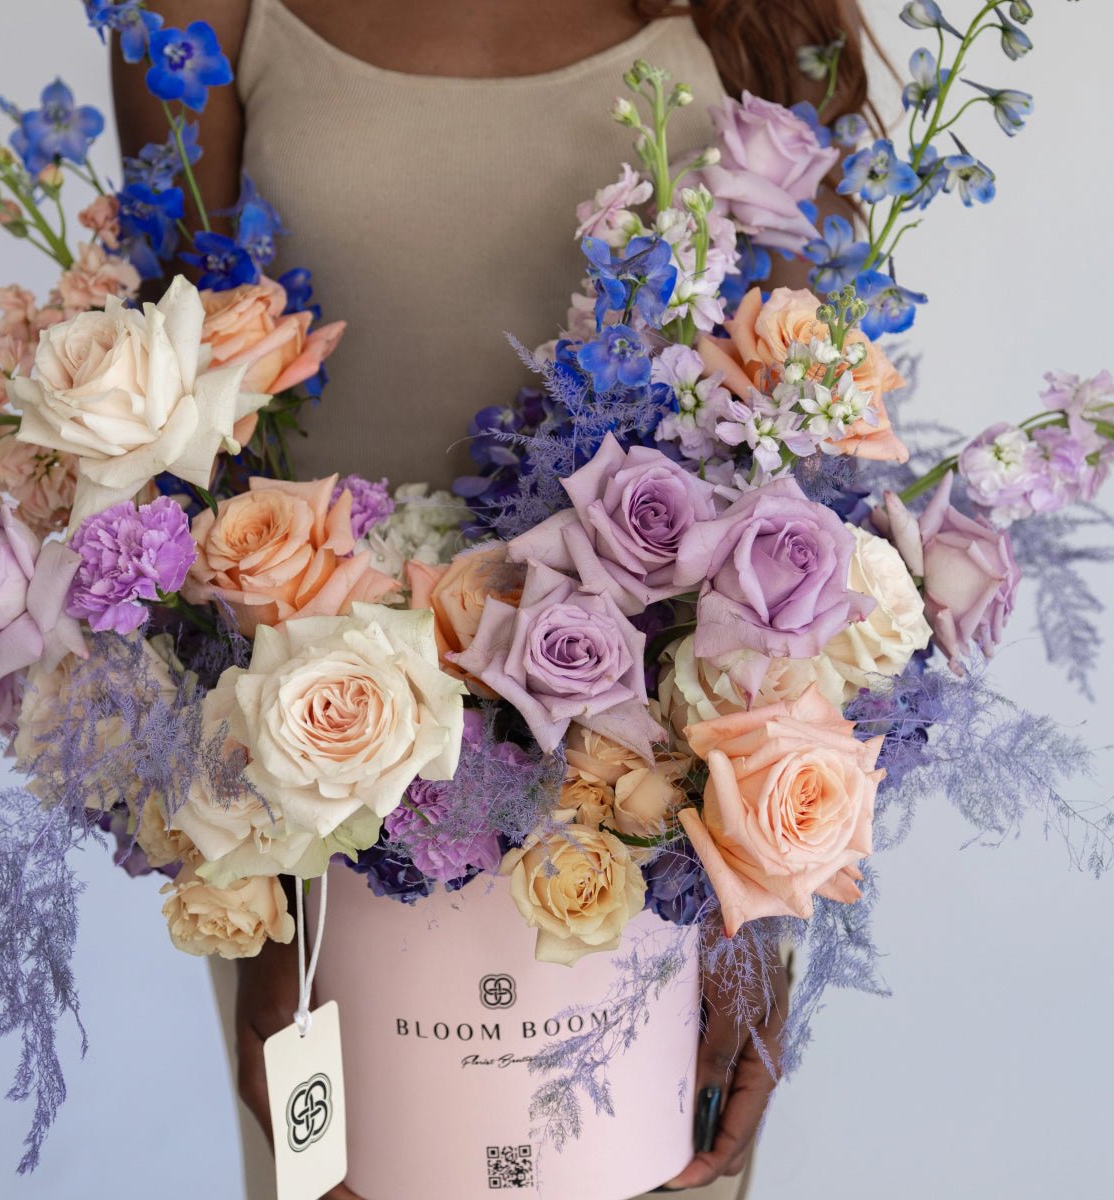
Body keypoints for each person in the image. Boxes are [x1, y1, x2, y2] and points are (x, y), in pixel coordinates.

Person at [113, 3, 873, 1196]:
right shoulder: (200, 20)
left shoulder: (759, 13)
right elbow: (168, 447)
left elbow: (809, 443)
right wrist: (255, 893)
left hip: (656, 834)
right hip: (320, 820)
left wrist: (760, 900)